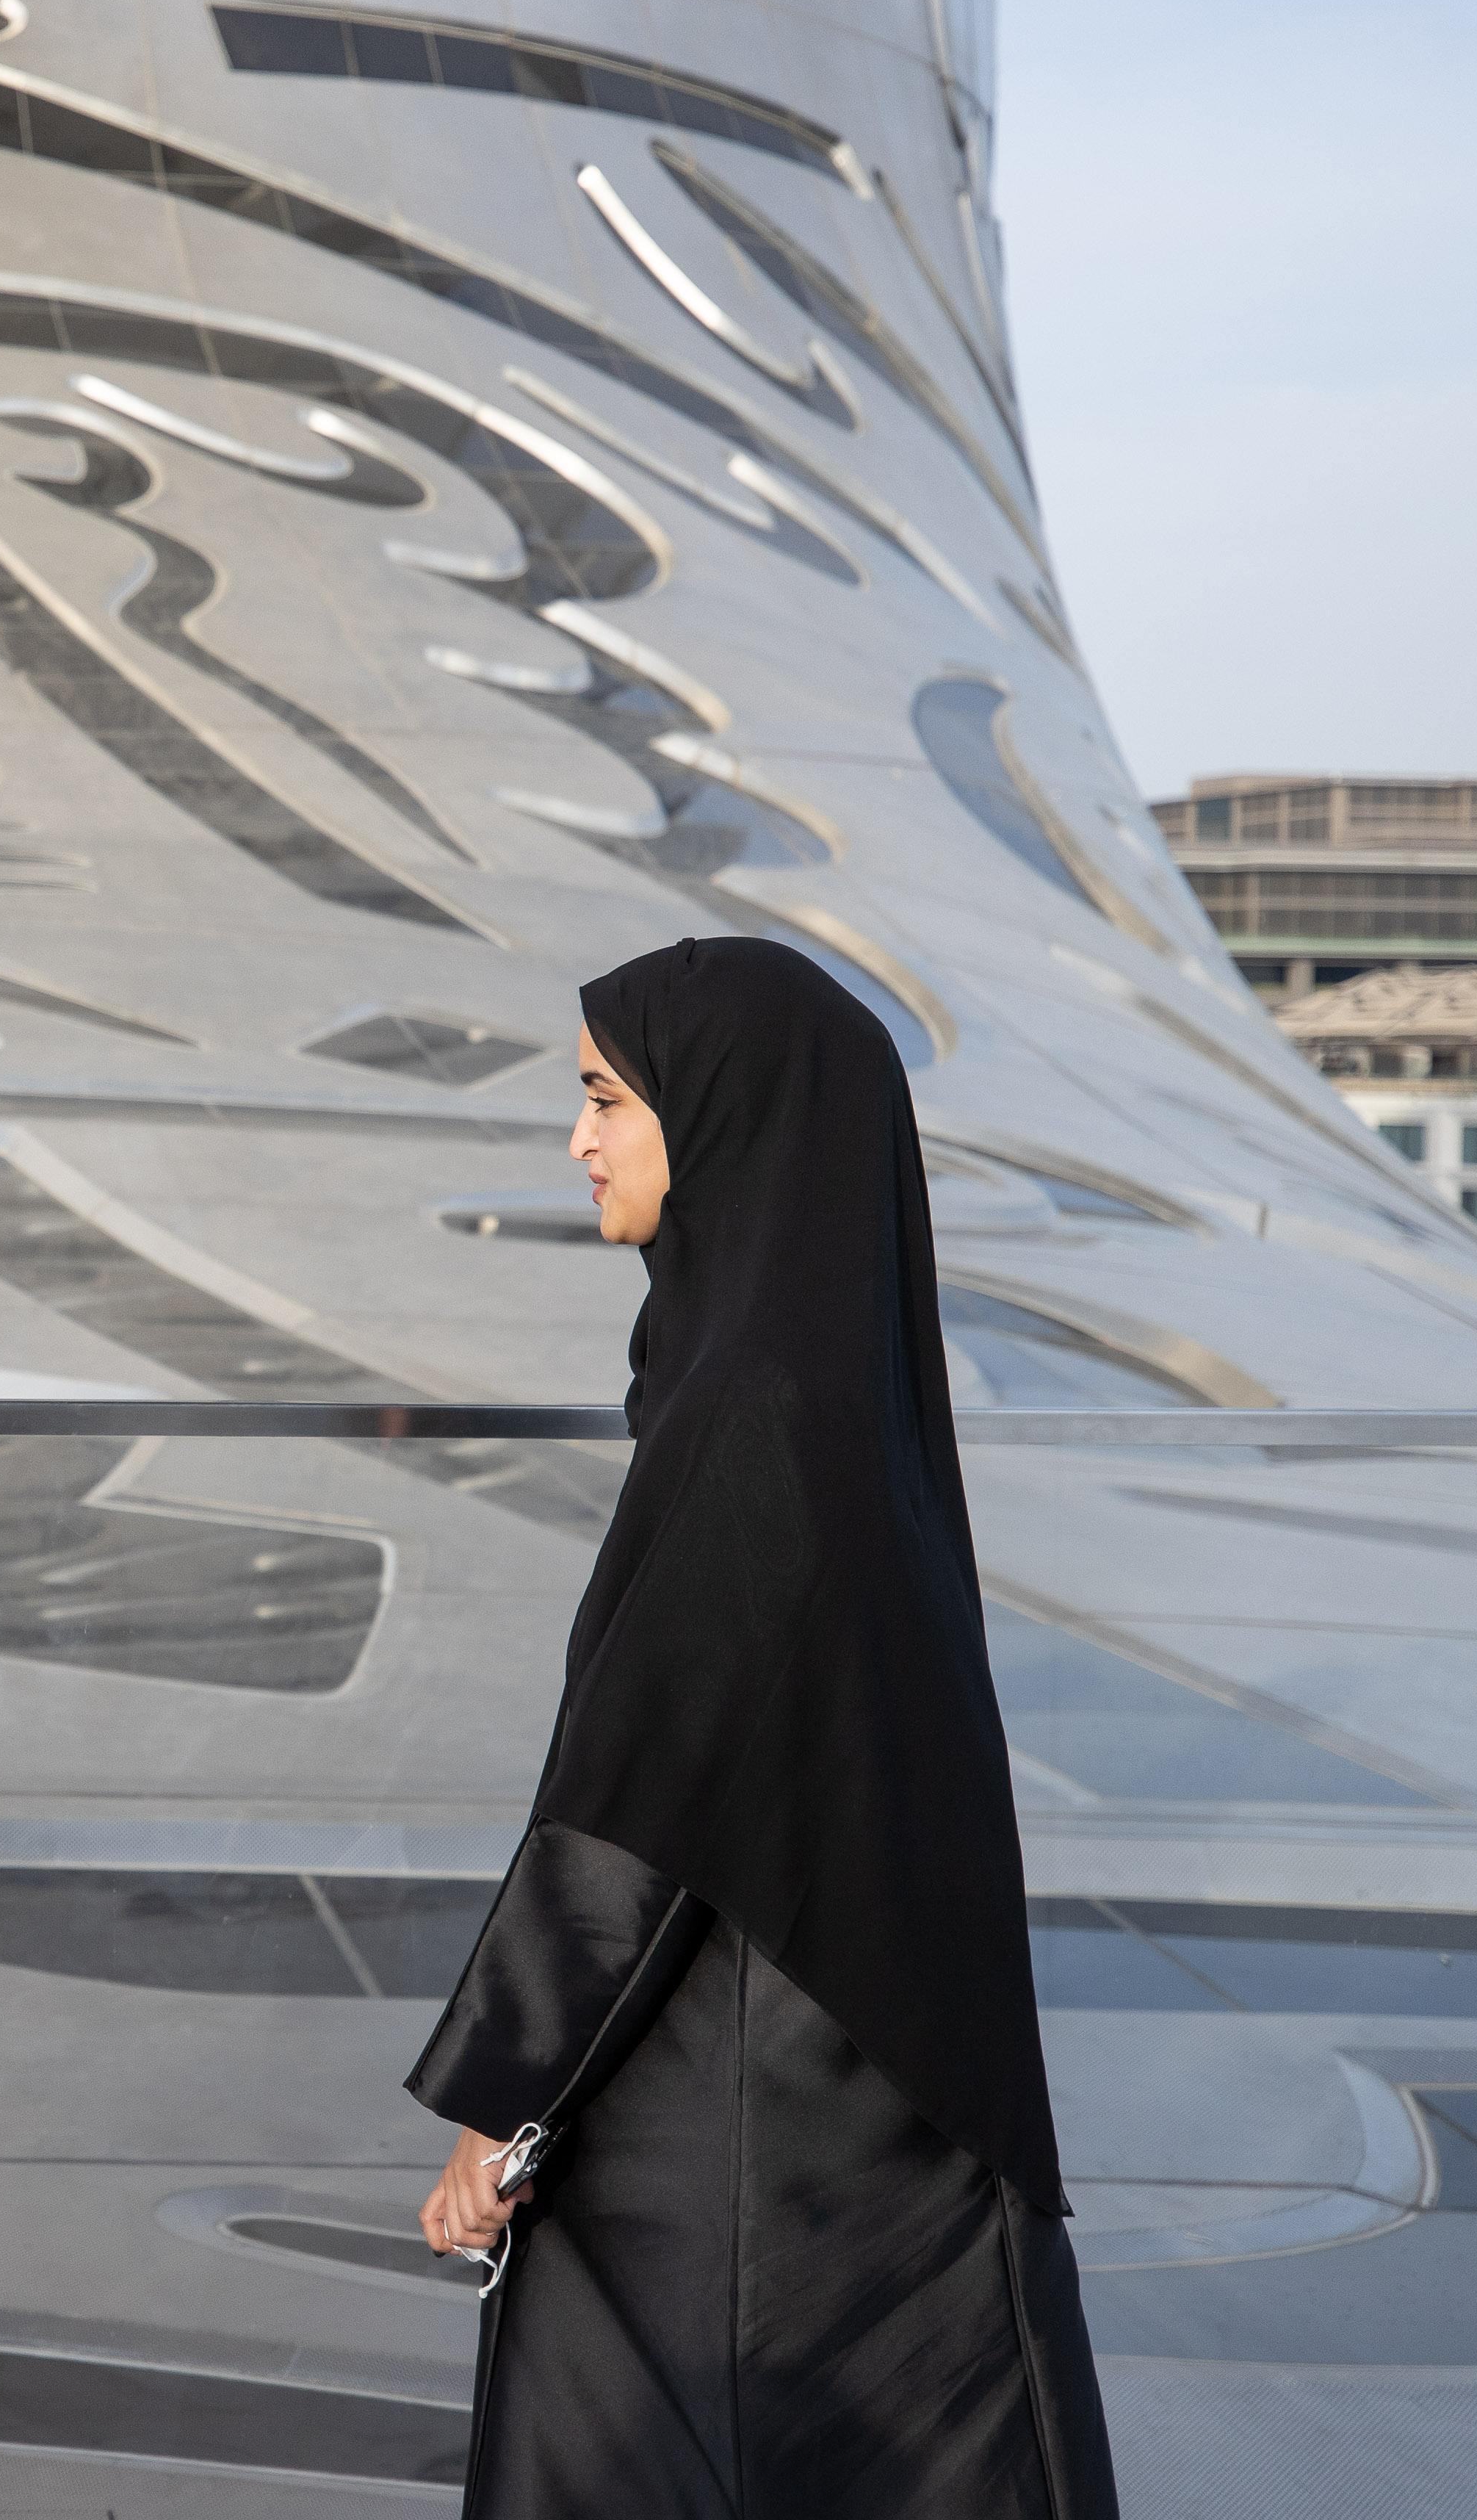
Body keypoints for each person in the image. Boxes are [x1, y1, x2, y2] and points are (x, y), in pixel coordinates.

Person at [405, 937, 1121, 2518]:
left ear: (726, 1118)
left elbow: (644, 1797)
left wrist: (506, 2099)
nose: (578, 1139)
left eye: (607, 1099)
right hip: (857, 2092)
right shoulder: (828, 1385)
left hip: (747, 2120)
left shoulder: (757, 1413)